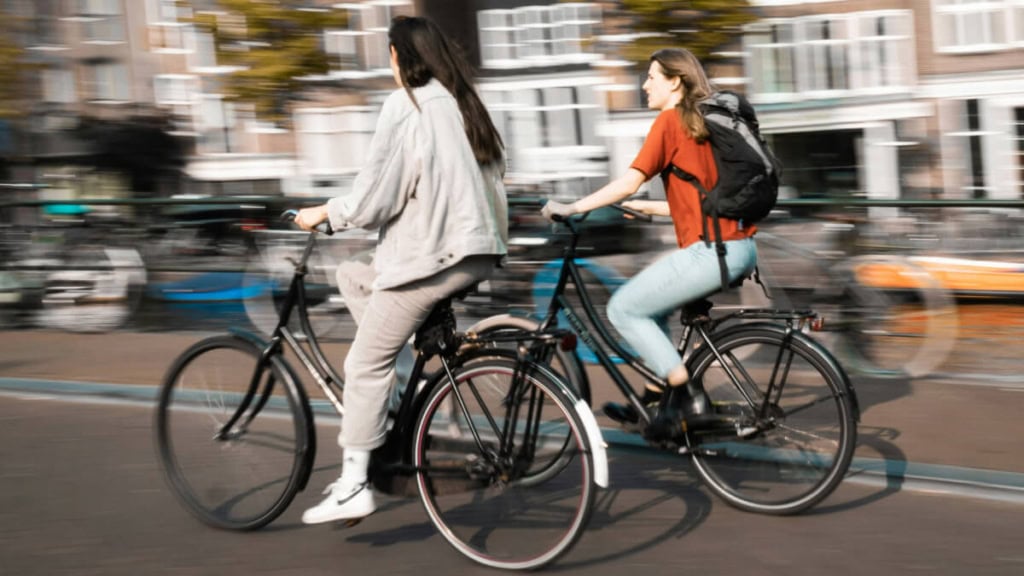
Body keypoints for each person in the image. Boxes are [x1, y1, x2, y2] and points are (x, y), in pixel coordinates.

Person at [294, 15, 508, 524]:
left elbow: (374, 197)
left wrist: (326, 213)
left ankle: (353, 486)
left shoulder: (407, 104)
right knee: (354, 275)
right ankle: (405, 371)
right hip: (477, 252)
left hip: (431, 258)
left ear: (397, 56)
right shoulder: (463, 103)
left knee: (362, 365)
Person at [541, 48, 757, 438]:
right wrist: (652, 208)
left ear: (675, 81)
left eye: (652, 76)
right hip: (738, 246)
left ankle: (689, 397)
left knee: (623, 309)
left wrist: (573, 206)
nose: (644, 84)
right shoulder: (703, 128)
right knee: (651, 312)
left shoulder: (670, 121)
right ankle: (654, 400)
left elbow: (629, 180)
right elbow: (701, 202)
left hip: (712, 252)